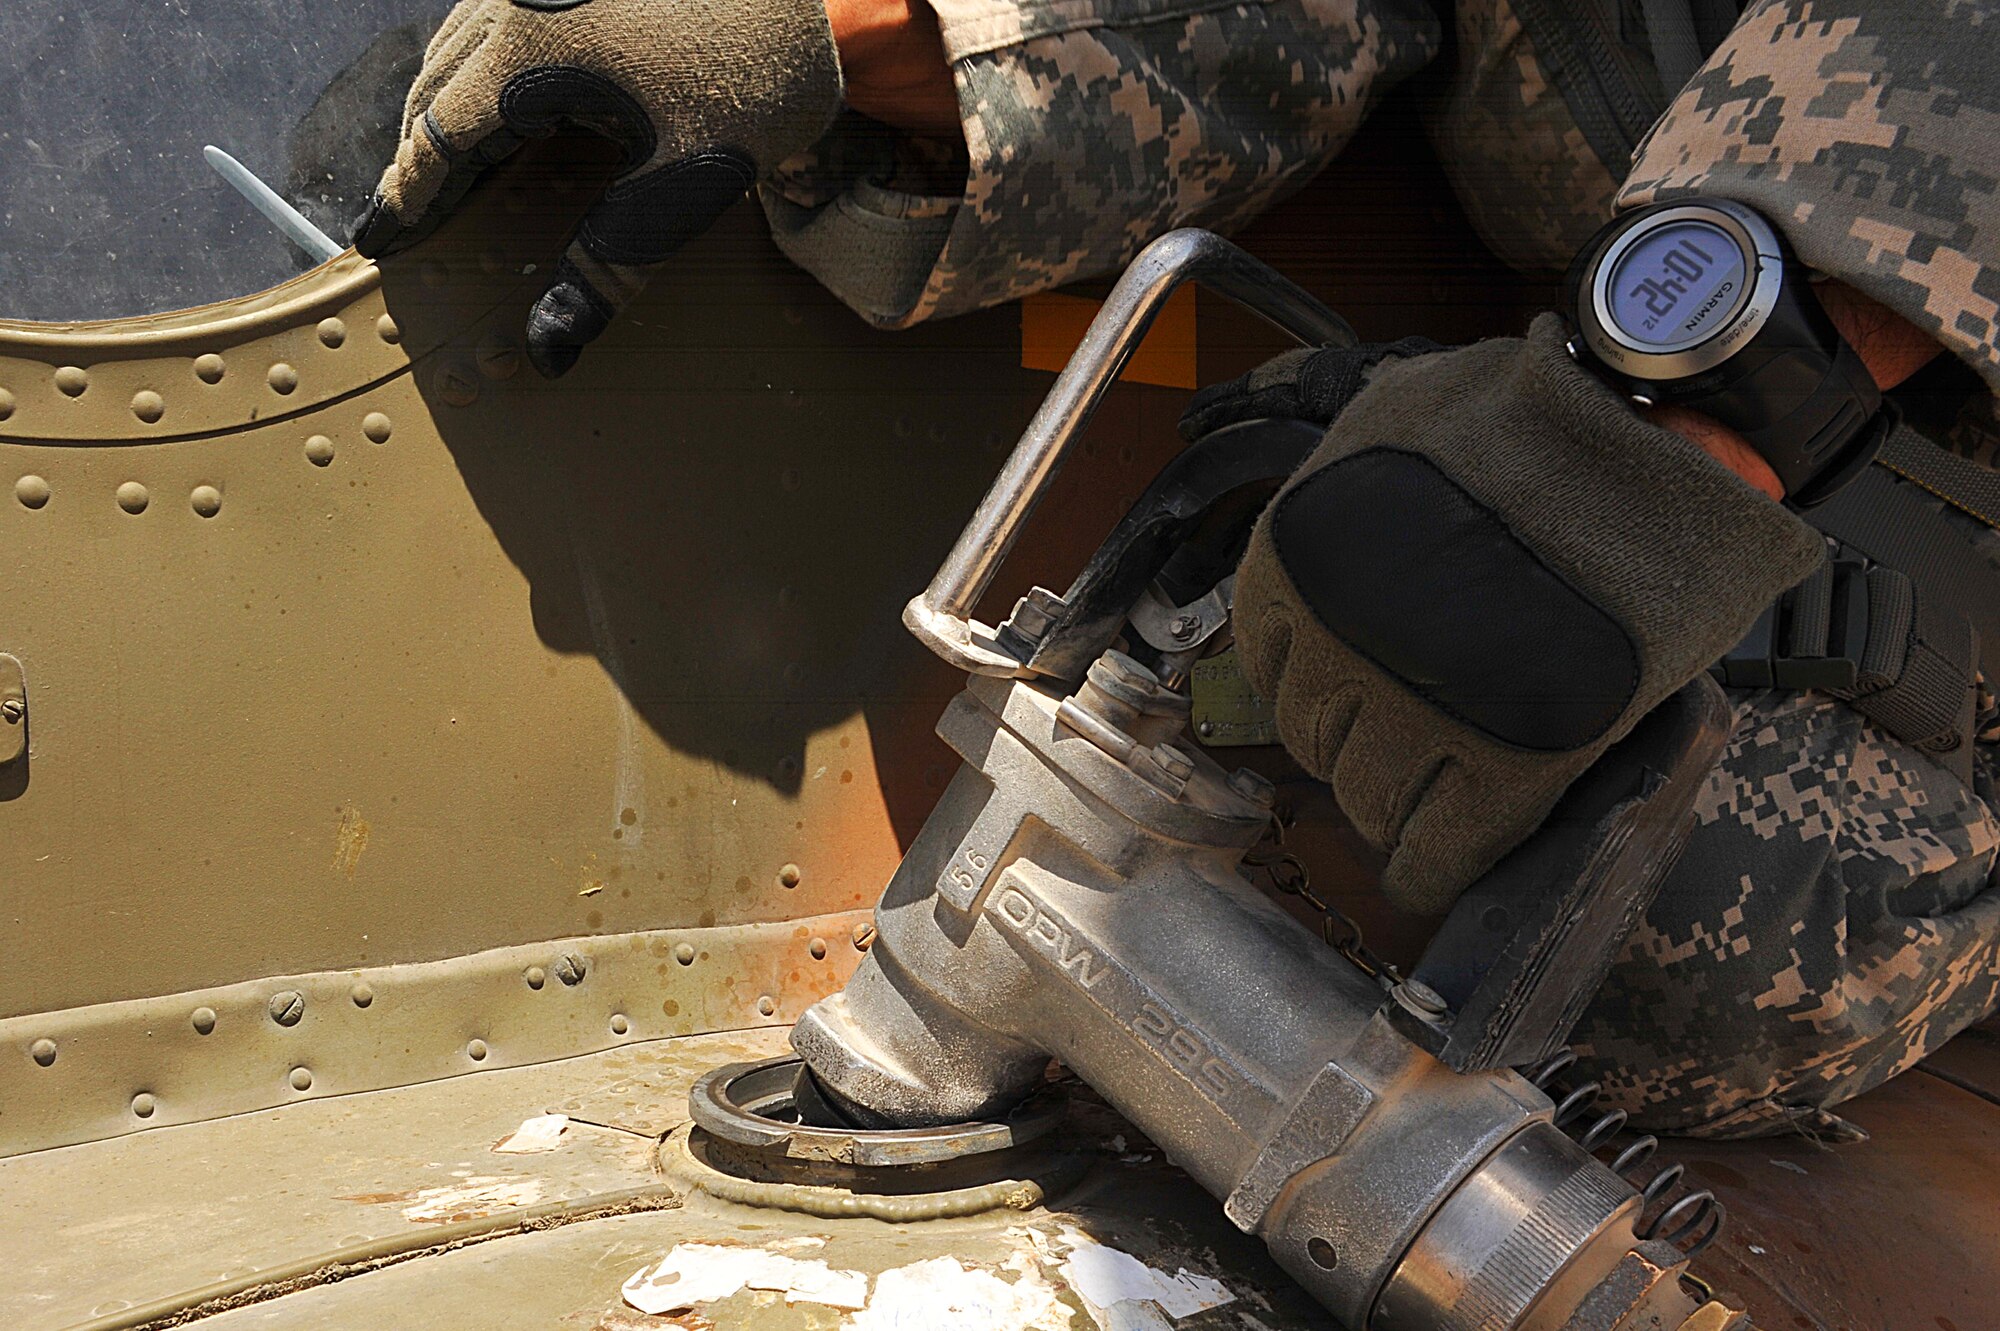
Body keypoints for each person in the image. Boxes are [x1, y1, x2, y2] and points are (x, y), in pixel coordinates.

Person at [355, 0, 2000, 1140]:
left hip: (1862, 453)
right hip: (1621, 336)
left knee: (1711, 926)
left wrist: (1688, 433)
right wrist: (836, 35)